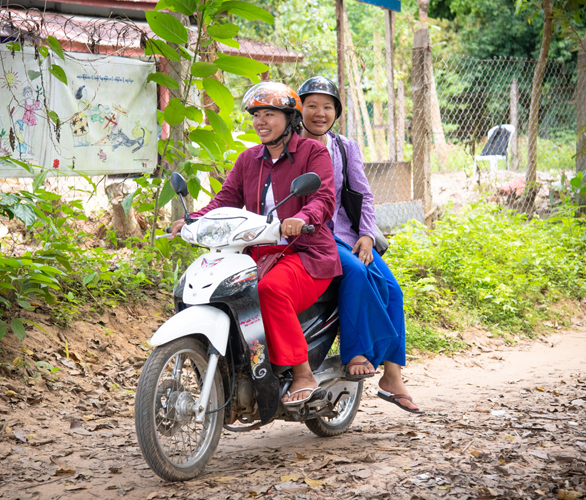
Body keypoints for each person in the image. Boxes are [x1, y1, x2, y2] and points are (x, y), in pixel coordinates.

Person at [171, 82, 341, 405]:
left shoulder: (313, 153)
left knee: (269, 291)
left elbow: (323, 199)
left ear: (290, 118)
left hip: (305, 253)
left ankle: (302, 372)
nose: (261, 121)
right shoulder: (248, 160)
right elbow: (224, 201)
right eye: (256, 115)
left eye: (269, 114)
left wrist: (302, 218)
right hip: (258, 255)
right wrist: (193, 219)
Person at [297, 76, 422, 414]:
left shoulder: (344, 147)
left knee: (392, 289)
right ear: (300, 108)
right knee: (356, 274)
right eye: (312, 106)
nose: (319, 113)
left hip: (348, 233)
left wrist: (367, 233)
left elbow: (363, 194)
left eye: (327, 107)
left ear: (336, 111)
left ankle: (392, 377)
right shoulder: (290, 145)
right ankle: (356, 351)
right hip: (313, 233)